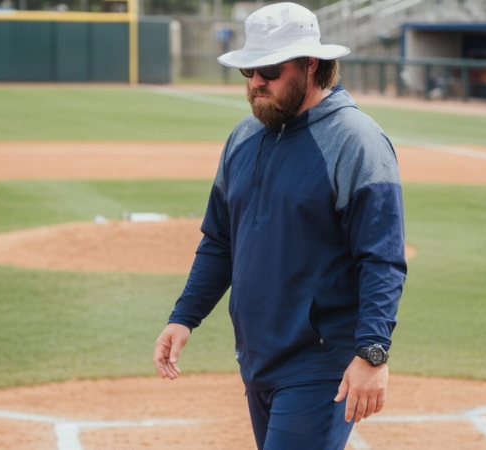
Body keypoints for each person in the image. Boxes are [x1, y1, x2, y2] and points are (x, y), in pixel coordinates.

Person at [153, 3, 407, 449]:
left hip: (320, 363)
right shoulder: (242, 138)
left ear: (311, 64)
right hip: (257, 356)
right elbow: (219, 242)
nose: (256, 82)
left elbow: (381, 258)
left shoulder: (356, 141)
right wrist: (184, 317)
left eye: (269, 69)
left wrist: (372, 352)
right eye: (249, 70)